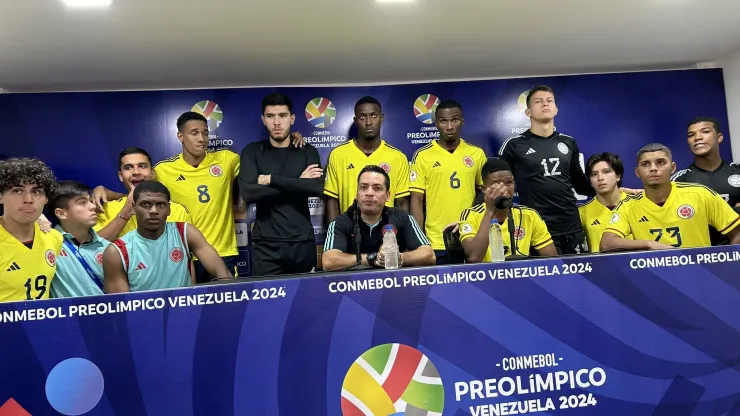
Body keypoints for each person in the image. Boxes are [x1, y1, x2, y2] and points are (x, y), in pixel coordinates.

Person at [498, 85, 595, 255]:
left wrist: (615, 191)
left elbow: (581, 186)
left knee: (579, 280)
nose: (545, 104)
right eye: (538, 101)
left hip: (570, 225)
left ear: (556, 110)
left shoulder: (568, 142)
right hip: (537, 228)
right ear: (528, 112)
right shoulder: (514, 145)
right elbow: (498, 186)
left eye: (549, 101)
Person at [238, 93, 324, 276]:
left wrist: (272, 179)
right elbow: (248, 193)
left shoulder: (306, 151)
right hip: (266, 246)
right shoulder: (252, 151)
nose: (277, 122)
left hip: (302, 243)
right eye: (270, 116)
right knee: (266, 304)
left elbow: (315, 188)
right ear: (263, 119)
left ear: (292, 118)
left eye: (283, 116)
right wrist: (298, 183)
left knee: (305, 302)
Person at [601, 143, 740, 251]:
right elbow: (606, 243)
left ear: (673, 168)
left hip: (700, 279)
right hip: (657, 282)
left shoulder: (700, 194)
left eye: (660, 162)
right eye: (645, 164)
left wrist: (726, 268)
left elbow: (737, 232)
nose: (653, 168)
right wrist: (649, 244)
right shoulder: (628, 205)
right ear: (637, 172)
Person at [102, 181, 232, 293]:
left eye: (161, 204)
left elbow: (224, 275)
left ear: (169, 209)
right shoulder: (117, 251)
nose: (153, 210)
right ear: (134, 208)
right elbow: (122, 307)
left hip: (185, 314)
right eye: (145, 204)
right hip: (144, 319)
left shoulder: (185, 232)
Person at [410, 99, 487, 265]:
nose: (450, 126)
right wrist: (419, 240)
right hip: (436, 240)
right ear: (436, 123)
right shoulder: (422, 156)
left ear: (462, 121)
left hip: (470, 236)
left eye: (455, 120)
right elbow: (416, 200)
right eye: (444, 121)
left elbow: (483, 193)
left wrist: (469, 219)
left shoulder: (477, 154)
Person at [322, 165, 435, 271]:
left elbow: (429, 255)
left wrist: (399, 257)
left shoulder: (402, 218)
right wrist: (373, 258)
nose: (369, 193)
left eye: (377, 188)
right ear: (357, 193)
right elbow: (328, 261)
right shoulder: (341, 222)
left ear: (387, 196)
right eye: (363, 187)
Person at [323, 96, 410, 225]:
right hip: (349, 235)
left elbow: (401, 203)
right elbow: (332, 200)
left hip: (386, 236)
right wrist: (335, 235)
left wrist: (399, 236)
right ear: (355, 120)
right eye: (362, 117)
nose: (368, 122)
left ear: (382, 118)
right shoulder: (338, 155)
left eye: (374, 115)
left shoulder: (397, 157)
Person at [458, 158, 556, 262]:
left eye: (508, 183)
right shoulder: (471, 215)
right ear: (483, 189)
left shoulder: (529, 215)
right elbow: (473, 258)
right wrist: (490, 212)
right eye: (496, 184)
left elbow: (553, 260)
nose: (503, 190)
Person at [94, 147, 191, 241]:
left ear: (152, 173)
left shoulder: (177, 210)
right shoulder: (107, 209)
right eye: (128, 167)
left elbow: (184, 250)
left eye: (142, 166)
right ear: (121, 176)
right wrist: (126, 211)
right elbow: (92, 249)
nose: (136, 172)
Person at [0, 157, 63, 302]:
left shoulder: (54, 238)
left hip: (41, 324)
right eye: (17, 191)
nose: (28, 199)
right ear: (1, 196)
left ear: (46, 199)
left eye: (37, 192)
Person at [49, 181, 110, 298]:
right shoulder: (48, 244)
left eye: (90, 201)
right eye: (82, 202)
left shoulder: (108, 248)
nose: (93, 206)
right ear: (61, 213)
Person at [672, 117, 740, 206]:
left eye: (705, 132)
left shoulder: (738, 170)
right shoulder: (679, 180)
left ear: (719, 137)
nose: (697, 137)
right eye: (691, 135)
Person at [578, 152, 631, 252]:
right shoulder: (582, 213)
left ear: (618, 176)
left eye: (606, 172)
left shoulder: (636, 204)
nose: (600, 178)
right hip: (600, 266)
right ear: (590, 181)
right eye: (594, 174)